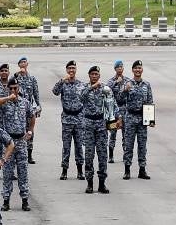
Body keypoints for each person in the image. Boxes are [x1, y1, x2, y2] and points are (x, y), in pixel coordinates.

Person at [0, 77, 36, 211]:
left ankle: (25, 200)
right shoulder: (5, 103)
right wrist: (8, 97)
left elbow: (32, 116)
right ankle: (6, 200)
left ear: (19, 88)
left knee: (23, 172)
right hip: (8, 142)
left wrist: (30, 131)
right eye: (11, 88)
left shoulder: (25, 103)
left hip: (21, 141)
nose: (13, 90)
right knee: (7, 172)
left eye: (15, 88)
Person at [80, 66, 116, 194]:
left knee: (102, 155)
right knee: (89, 155)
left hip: (101, 125)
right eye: (92, 74)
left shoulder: (105, 88)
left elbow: (112, 105)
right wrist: (91, 87)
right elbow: (80, 98)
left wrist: (116, 121)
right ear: (89, 76)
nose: (94, 76)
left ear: (99, 76)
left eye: (96, 74)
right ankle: (89, 183)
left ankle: (102, 183)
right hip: (89, 125)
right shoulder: (84, 88)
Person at [52, 60, 86, 180]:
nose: (71, 70)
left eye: (73, 68)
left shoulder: (81, 85)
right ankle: (64, 170)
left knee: (79, 146)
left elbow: (86, 100)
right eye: (69, 68)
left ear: (76, 70)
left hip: (79, 119)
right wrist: (62, 81)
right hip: (67, 119)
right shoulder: (63, 84)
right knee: (66, 146)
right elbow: (55, 91)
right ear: (67, 70)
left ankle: (80, 170)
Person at [121, 60, 154, 180]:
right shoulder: (128, 83)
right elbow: (119, 98)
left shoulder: (147, 84)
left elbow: (150, 101)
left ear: (142, 70)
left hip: (142, 118)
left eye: (139, 68)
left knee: (142, 145)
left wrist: (150, 120)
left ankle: (142, 169)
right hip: (130, 117)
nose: (138, 70)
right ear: (132, 70)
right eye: (136, 68)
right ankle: (127, 169)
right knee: (128, 144)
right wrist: (125, 90)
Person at [14, 56, 41, 163]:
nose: (23, 64)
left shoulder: (32, 79)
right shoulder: (16, 78)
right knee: (18, 131)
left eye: (25, 62)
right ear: (19, 65)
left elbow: (36, 93)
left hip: (29, 109)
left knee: (30, 131)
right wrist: (17, 74)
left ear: (27, 64)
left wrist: (39, 106)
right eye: (21, 62)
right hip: (18, 109)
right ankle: (18, 153)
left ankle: (29, 155)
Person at [106, 60, 128, 164]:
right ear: (115, 69)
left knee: (125, 134)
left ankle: (125, 153)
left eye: (121, 67)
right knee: (113, 133)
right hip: (113, 110)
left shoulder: (127, 80)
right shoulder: (111, 81)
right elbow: (106, 90)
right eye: (118, 67)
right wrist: (116, 82)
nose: (120, 69)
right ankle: (110, 155)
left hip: (124, 109)